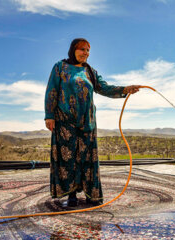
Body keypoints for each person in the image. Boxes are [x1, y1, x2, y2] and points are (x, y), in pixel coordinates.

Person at [44, 38, 140, 207]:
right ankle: (71, 195)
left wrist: (125, 89)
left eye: (88, 50)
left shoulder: (90, 71)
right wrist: (49, 115)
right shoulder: (60, 67)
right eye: (82, 49)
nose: (86, 53)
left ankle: (91, 194)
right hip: (65, 122)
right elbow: (51, 90)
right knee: (69, 159)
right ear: (73, 49)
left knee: (88, 158)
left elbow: (105, 88)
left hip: (87, 122)